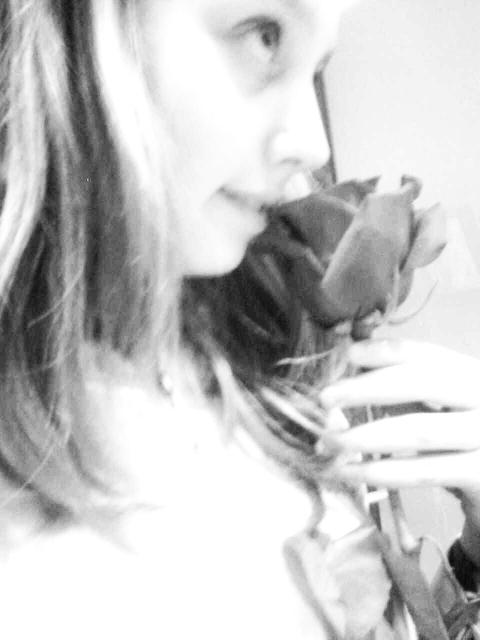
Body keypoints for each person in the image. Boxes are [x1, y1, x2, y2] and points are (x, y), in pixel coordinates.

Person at [0, 0, 479, 638]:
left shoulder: (277, 386)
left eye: (316, 70)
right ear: (77, 23)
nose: (313, 144)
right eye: (264, 35)